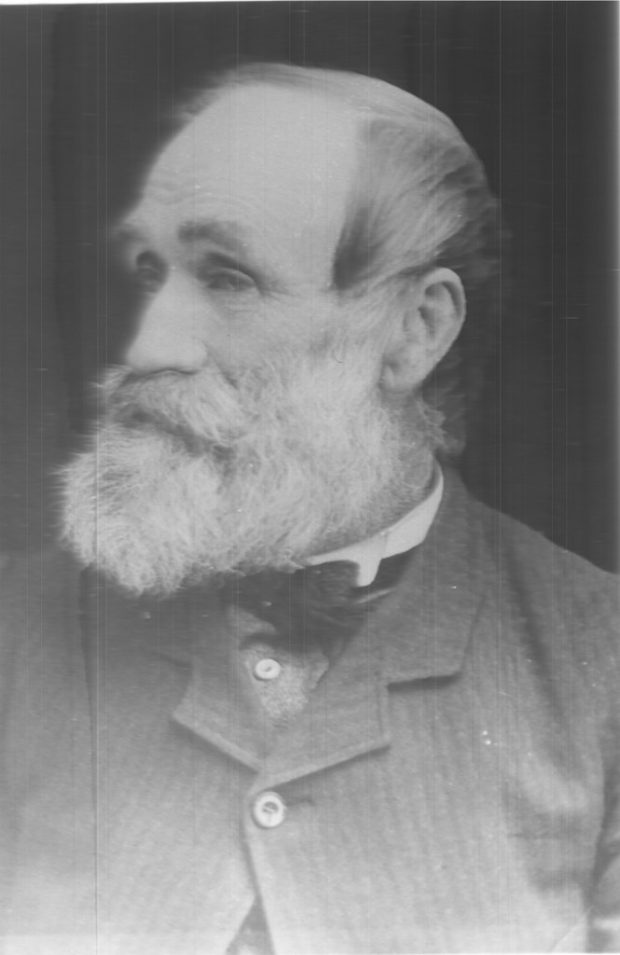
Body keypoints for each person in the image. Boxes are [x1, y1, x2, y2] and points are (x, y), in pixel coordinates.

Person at [1, 63, 618, 955]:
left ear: (415, 329)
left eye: (231, 277)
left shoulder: (601, 659)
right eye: (152, 270)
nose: (149, 346)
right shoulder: (17, 629)